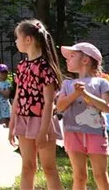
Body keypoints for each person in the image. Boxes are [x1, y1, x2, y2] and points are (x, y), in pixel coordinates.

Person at [10, 19, 62, 190]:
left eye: (17, 37)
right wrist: (12, 124)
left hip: (43, 121)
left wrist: (43, 130)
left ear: (28, 40)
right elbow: (17, 96)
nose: (15, 41)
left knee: (49, 168)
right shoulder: (21, 66)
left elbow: (49, 103)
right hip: (23, 120)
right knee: (27, 167)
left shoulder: (45, 67)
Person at [56, 42, 109, 190]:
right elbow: (60, 107)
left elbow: (106, 107)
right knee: (79, 176)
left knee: (100, 175)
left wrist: (85, 94)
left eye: (72, 56)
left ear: (85, 60)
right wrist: (75, 94)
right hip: (72, 132)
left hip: (96, 133)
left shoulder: (101, 83)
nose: (67, 59)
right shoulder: (67, 84)